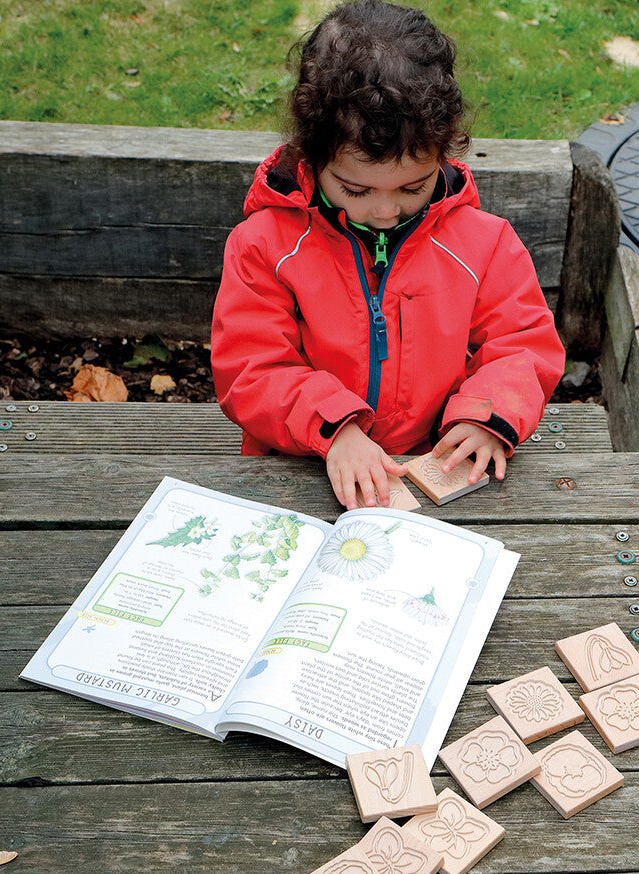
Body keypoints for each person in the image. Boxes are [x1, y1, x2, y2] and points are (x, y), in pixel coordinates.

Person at [211, 0, 564, 509]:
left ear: (443, 151)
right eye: (355, 191)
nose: (384, 211)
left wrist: (484, 416)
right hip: (300, 465)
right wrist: (338, 430)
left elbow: (521, 345)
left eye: (412, 188)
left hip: (437, 466)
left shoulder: (485, 243)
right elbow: (251, 366)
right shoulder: (264, 245)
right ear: (311, 155)